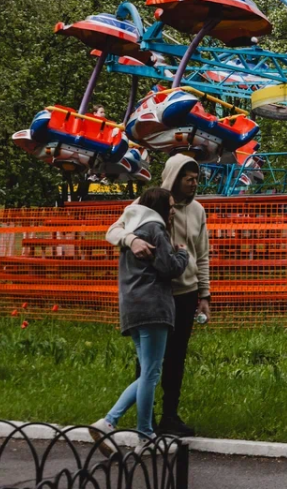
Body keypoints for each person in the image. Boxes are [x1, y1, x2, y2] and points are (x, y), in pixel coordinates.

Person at [106, 154, 210, 437]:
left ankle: (170, 416)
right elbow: (114, 231)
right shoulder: (146, 205)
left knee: (176, 359)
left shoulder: (198, 210)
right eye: (188, 178)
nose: (193, 183)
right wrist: (133, 239)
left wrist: (205, 295)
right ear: (174, 177)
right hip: (157, 294)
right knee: (149, 363)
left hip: (185, 293)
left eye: (196, 178)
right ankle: (146, 418)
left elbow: (201, 255)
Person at [90, 188, 188, 452]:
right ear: (158, 207)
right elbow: (169, 268)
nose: (173, 211)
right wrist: (182, 254)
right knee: (152, 373)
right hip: (154, 306)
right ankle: (144, 435)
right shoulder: (155, 228)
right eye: (169, 206)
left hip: (132, 307)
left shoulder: (132, 231)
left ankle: (107, 424)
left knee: (147, 372)